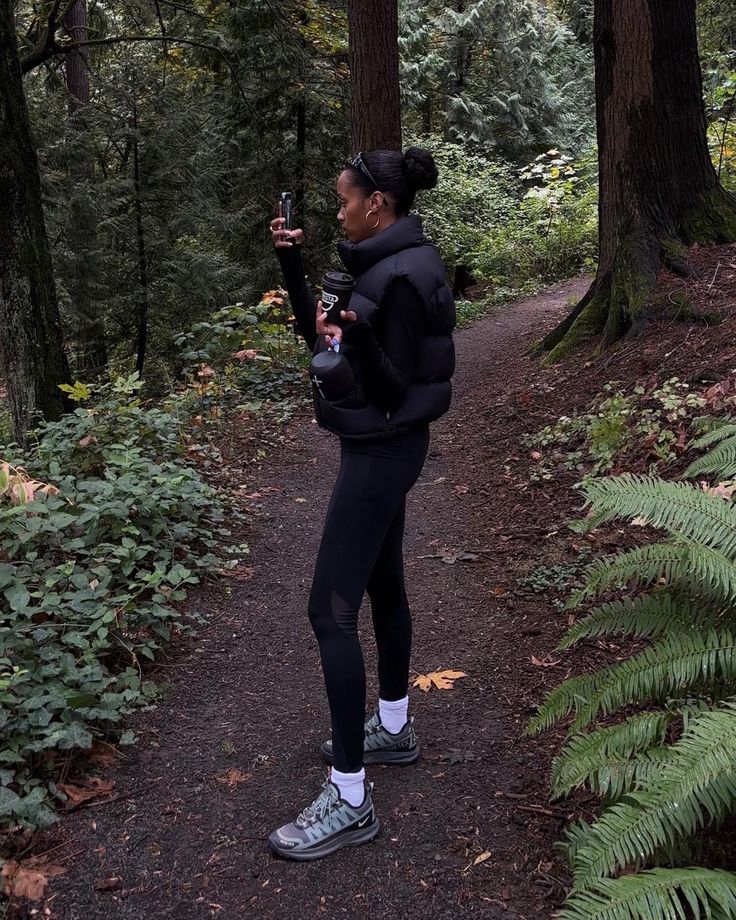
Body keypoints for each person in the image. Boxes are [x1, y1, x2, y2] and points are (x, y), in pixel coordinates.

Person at [268, 147, 455, 861]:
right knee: (382, 585)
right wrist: (295, 266)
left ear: (378, 202)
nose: (338, 209)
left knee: (329, 612)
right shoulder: (373, 258)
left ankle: (349, 798)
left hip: (383, 448)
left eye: (345, 199)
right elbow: (317, 335)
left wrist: (363, 333)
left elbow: (386, 381)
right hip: (380, 444)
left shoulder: (403, 276)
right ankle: (395, 728)